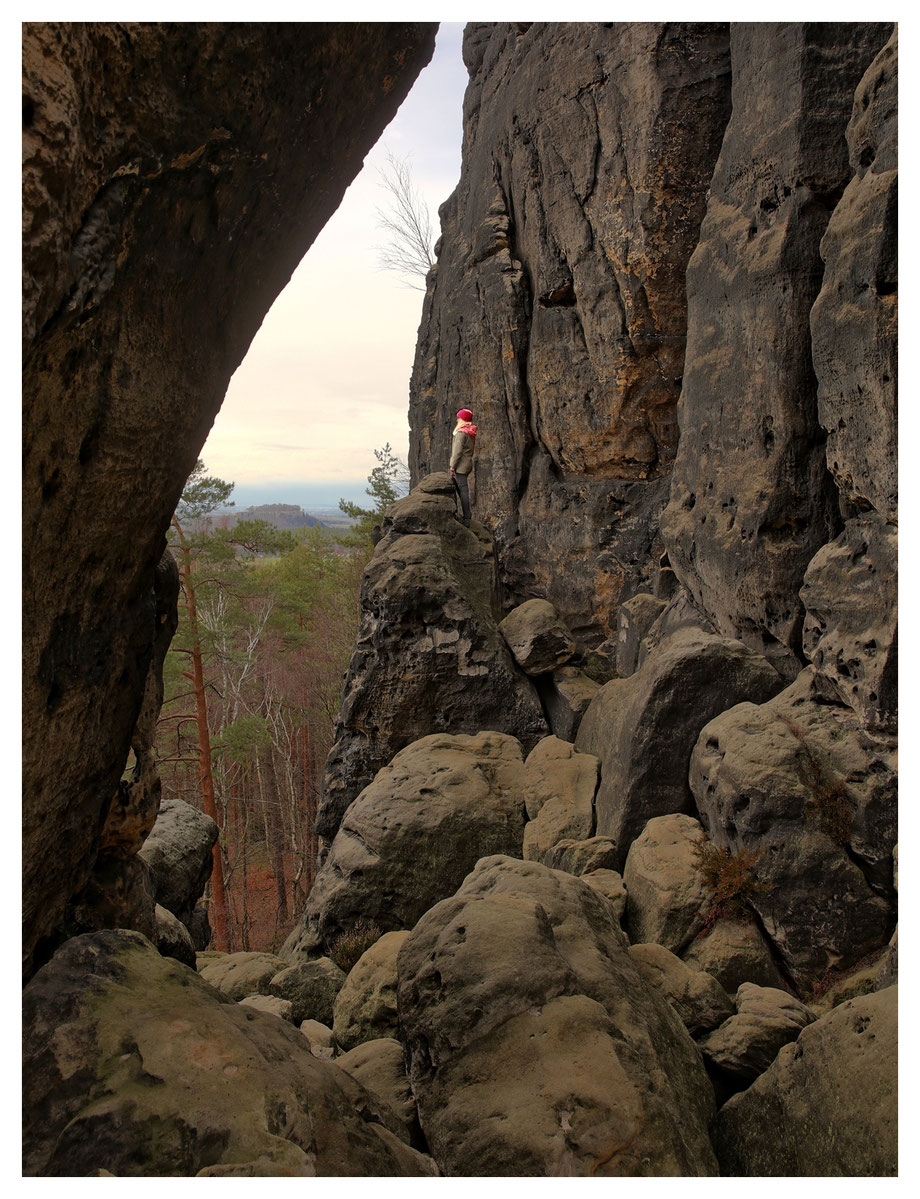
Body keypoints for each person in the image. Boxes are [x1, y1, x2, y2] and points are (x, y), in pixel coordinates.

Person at [449, 408, 477, 526]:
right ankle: (466, 516)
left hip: (460, 466)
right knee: (462, 489)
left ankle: (466, 517)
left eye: (459, 417)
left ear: (463, 419)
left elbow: (457, 453)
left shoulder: (461, 433)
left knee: (463, 491)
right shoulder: (470, 432)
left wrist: (452, 467)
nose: (457, 419)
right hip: (467, 464)